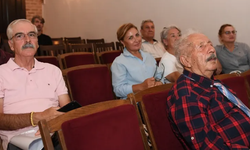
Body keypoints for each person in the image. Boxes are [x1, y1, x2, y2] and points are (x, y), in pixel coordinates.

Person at [167, 31, 250, 149]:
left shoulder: (214, 83)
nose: (211, 49)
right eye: (201, 46)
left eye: (210, 44)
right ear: (186, 61)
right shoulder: (186, 94)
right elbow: (207, 146)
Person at [0, 19, 70, 150]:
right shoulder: (1, 73)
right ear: (11, 44)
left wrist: (53, 125)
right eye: (20, 36)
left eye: (32, 35)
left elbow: (67, 109)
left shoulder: (53, 70)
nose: (27, 40)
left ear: (37, 42)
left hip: (54, 133)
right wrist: (37, 117)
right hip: (19, 140)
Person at [111, 23, 163, 99]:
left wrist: (159, 82)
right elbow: (118, 90)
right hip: (136, 102)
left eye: (137, 35)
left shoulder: (148, 56)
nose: (136, 40)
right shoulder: (119, 62)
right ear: (122, 42)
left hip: (154, 96)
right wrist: (141, 87)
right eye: (130, 38)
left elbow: (159, 75)